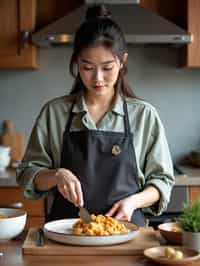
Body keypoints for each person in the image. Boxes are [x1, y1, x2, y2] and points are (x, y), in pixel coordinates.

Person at [17, 4, 174, 226]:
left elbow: (163, 180)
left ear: (122, 61)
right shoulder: (54, 113)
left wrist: (133, 202)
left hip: (127, 235)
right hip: (66, 236)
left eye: (107, 67)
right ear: (76, 63)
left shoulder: (144, 115)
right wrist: (57, 175)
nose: (98, 78)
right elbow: (27, 174)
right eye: (87, 68)